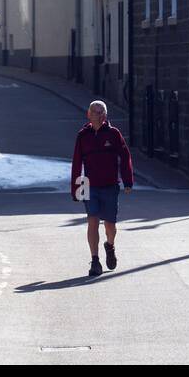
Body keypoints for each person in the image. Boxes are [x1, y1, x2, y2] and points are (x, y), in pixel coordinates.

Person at [69, 99, 134, 277]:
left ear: (104, 115)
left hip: (110, 185)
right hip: (90, 186)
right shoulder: (83, 136)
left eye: (99, 112)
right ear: (88, 114)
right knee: (92, 221)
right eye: (93, 111)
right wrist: (76, 188)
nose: (96, 115)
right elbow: (76, 163)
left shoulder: (113, 134)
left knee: (110, 225)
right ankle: (95, 260)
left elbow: (125, 156)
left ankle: (110, 245)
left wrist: (128, 181)